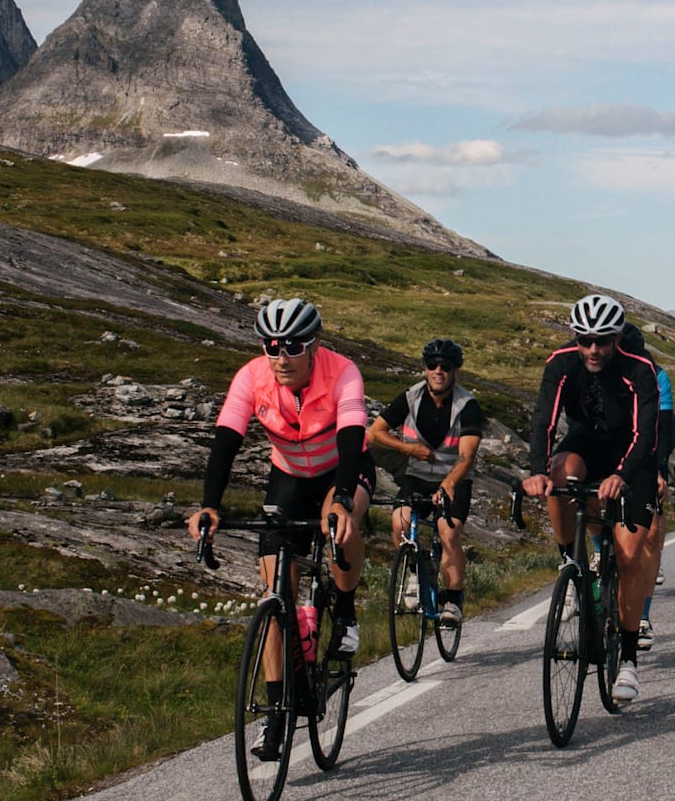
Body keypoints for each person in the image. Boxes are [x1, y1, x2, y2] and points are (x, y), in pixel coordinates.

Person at [186, 298, 374, 762]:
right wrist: (210, 505)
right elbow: (226, 439)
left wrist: (346, 497)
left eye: (292, 346)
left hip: (341, 470)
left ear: (314, 346)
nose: (280, 356)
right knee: (274, 595)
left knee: (340, 525)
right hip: (288, 475)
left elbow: (351, 434)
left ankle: (345, 612)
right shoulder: (252, 377)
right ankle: (275, 713)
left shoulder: (343, 372)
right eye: (271, 345)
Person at [522, 294, 661, 704]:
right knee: (558, 472)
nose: (593, 349)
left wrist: (622, 474)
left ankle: (630, 658)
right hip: (585, 444)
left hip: (631, 457)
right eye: (584, 340)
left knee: (631, 556)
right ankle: (570, 561)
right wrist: (535, 471)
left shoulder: (639, 370)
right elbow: (543, 421)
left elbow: (645, 434)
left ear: (616, 337)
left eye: (601, 340)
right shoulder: (561, 363)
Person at [367, 338, 485, 628]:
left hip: (455, 479)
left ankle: (453, 601)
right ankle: (413, 576)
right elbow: (376, 431)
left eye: (445, 367)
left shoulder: (467, 406)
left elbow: (467, 457)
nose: (438, 371)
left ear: (455, 371)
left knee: (448, 532)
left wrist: (448, 483)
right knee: (400, 522)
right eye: (432, 366)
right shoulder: (410, 397)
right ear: (425, 369)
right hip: (417, 474)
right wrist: (407, 449)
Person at [618, 324, 675, 653]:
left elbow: (662, 428)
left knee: (651, 532)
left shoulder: (656, 375)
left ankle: (643, 617)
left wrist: (659, 470)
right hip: (612, 446)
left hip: (651, 443)